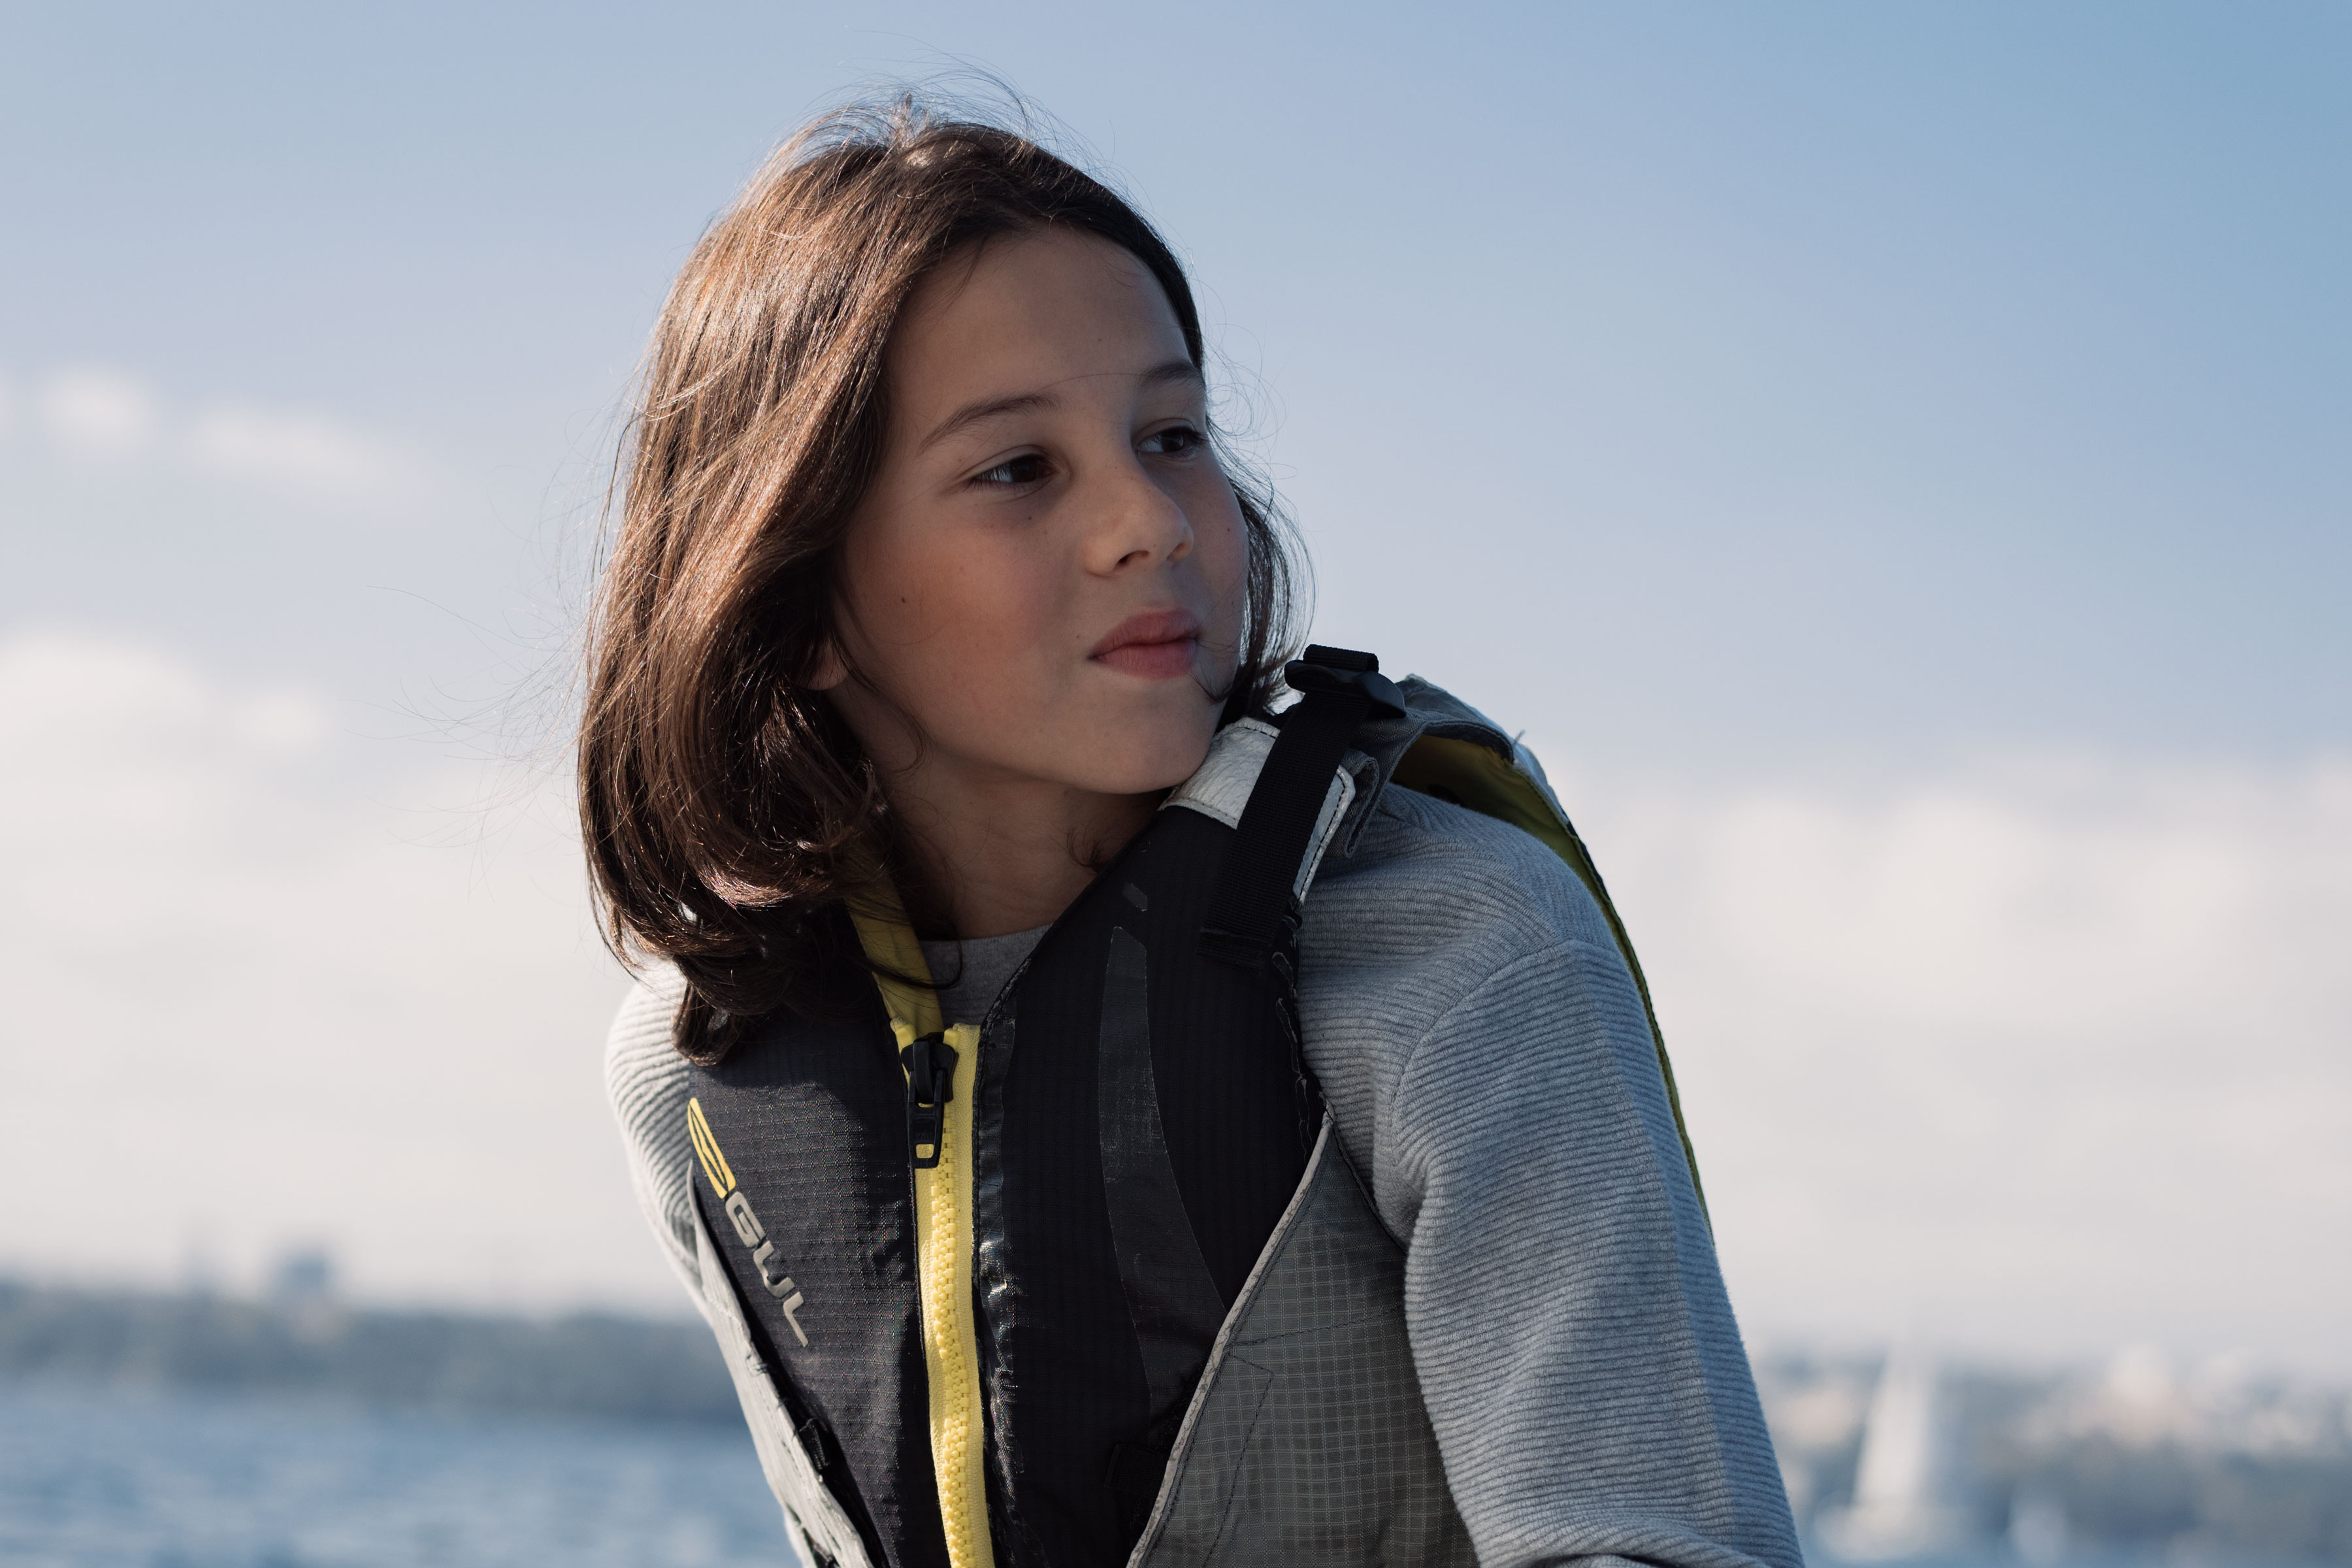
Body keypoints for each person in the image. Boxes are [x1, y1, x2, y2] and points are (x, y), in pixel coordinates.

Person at [585, 93, 1800, 1568]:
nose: (1150, 521)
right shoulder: (697, 1070)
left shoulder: (1463, 956)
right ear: (794, 605)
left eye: (1171, 435)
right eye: (1019, 469)